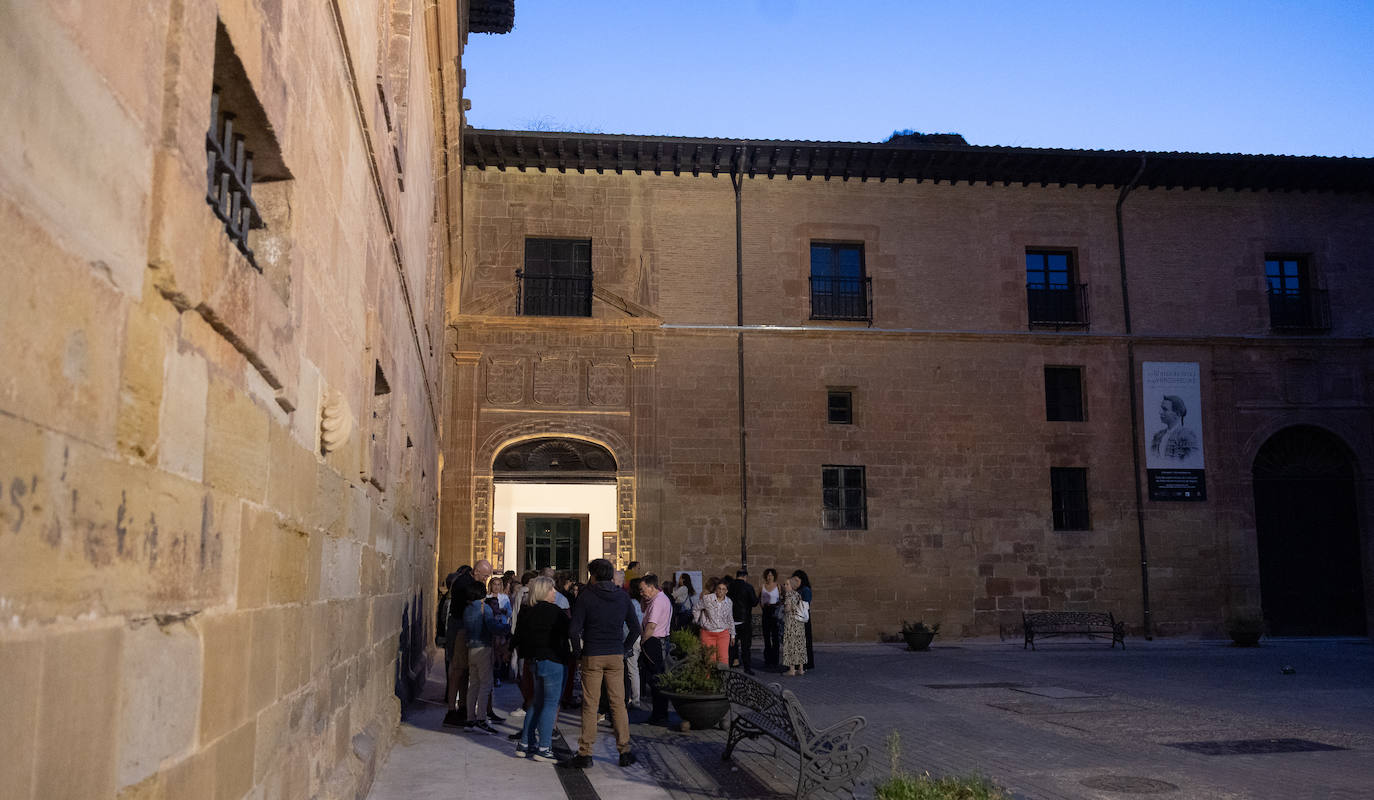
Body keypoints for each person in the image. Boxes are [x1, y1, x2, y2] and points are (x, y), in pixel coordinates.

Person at [561, 558, 641, 769]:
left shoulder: (587, 597)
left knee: (590, 704)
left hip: (593, 654)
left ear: (594, 575)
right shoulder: (622, 597)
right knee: (618, 703)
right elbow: (636, 628)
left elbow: (573, 630)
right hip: (615, 654)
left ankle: (585, 753)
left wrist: (579, 654)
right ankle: (624, 750)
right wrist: (624, 649)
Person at [513, 576, 568, 762]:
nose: (555, 593)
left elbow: (518, 635)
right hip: (552, 660)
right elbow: (568, 631)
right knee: (550, 704)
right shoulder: (555, 612)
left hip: (534, 660)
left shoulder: (528, 612)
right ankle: (544, 747)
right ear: (544, 591)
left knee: (537, 702)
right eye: (552, 589)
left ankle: (525, 743)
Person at [444, 559, 493, 727]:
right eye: (485, 576)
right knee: (458, 670)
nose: (486, 579)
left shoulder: (470, 581)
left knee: (466, 671)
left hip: (465, 630)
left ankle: (463, 707)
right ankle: (452, 710)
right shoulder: (466, 584)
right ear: (477, 572)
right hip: (459, 630)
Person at [463, 579, 508, 732]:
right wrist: (507, 627)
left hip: (471, 649)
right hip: (483, 648)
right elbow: (492, 627)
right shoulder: (485, 608)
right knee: (486, 684)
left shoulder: (467, 609)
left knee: (473, 684)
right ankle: (481, 718)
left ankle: (470, 719)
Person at [637, 574, 673, 725]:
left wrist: (642, 642)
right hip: (657, 641)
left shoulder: (658, 602)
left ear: (652, 588)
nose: (641, 593)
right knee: (656, 679)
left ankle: (660, 715)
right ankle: (659, 714)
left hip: (654, 642)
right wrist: (644, 599)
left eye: (643, 589)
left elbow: (651, 626)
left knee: (657, 679)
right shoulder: (656, 599)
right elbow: (643, 609)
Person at [695, 576, 734, 666]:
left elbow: (730, 618)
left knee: (723, 659)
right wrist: (698, 621)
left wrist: (733, 635)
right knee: (709, 659)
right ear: (716, 589)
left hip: (723, 633)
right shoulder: (707, 598)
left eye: (723, 589)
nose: (721, 591)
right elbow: (696, 609)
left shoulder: (729, 602)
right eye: (719, 588)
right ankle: (709, 679)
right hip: (708, 632)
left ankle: (723, 679)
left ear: (726, 591)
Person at [1150, 394, 1201, 461]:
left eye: (1165, 409)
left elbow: (1190, 461)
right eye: (1161, 409)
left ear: (1177, 414)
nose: (1160, 412)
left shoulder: (1187, 436)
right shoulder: (1157, 436)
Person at [726, 569, 758, 673]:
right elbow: (754, 602)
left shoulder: (729, 586)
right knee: (745, 647)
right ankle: (747, 669)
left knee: (732, 646)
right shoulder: (748, 587)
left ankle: (729, 667)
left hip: (731, 621)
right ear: (745, 576)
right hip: (744, 621)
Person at [625, 577, 645, 710]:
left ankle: (635, 699)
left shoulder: (632, 603)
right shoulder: (643, 602)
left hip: (632, 638)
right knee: (634, 669)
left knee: (632, 670)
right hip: (639, 637)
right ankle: (634, 697)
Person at [781, 575, 807, 676]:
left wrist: (784, 609)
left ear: (791, 585)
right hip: (799, 623)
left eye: (787, 584)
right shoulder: (798, 594)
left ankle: (791, 670)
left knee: (791, 645)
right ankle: (801, 669)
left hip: (791, 623)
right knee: (799, 645)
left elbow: (787, 608)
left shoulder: (788, 595)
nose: (785, 586)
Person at [791, 569, 815, 671]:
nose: (795, 582)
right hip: (797, 618)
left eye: (797, 580)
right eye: (794, 580)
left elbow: (806, 604)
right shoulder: (798, 590)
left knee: (804, 642)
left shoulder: (805, 590)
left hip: (803, 619)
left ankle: (805, 664)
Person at [759, 568, 781, 669]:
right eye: (768, 575)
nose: (769, 577)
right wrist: (763, 606)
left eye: (771, 575)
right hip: (766, 612)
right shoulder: (762, 586)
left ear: (774, 576)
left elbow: (782, 599)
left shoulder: (778, 586)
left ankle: (775, 659)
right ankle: (767, 659)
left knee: (775, 637)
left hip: (775, 612)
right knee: (767, 637)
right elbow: (760, 599)